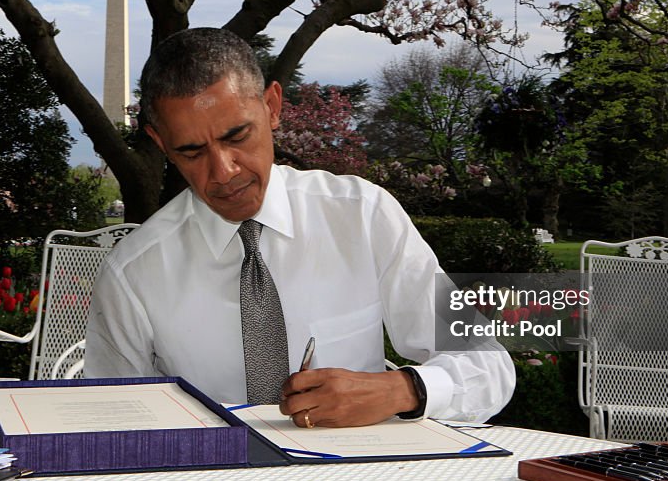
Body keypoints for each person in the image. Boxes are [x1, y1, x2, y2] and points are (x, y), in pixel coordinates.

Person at [85, 28, 515, 427]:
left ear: (272, 107)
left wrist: (402, 390)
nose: (223, 171)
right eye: (192, 151)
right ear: (161, 145)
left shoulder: (363, 215)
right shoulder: (132, 273)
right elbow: (109, 420)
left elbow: (488, 364)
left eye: (237, 135)